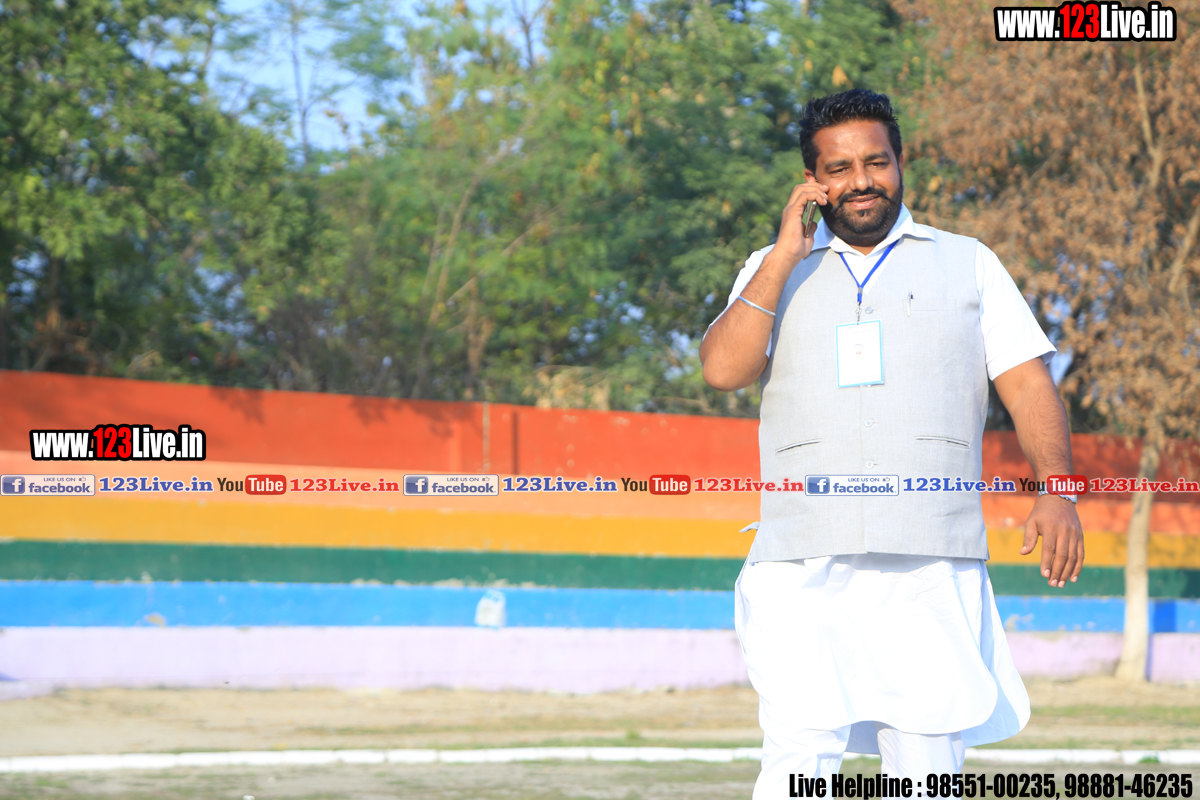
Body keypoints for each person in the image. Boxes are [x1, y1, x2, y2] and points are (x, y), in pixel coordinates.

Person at [699, 89, 1084, 797]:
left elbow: (1030, 386)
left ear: (901, 162)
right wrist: (784, 256)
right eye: (839, 168)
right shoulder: (772, 267)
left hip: (929, 554)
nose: (861, 180)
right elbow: (723, 370)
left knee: (927, 764)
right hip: (800, 555)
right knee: (796, 761)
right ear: (813, 180)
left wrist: (1057, 490)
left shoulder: (969, 262)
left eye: (876, 162)